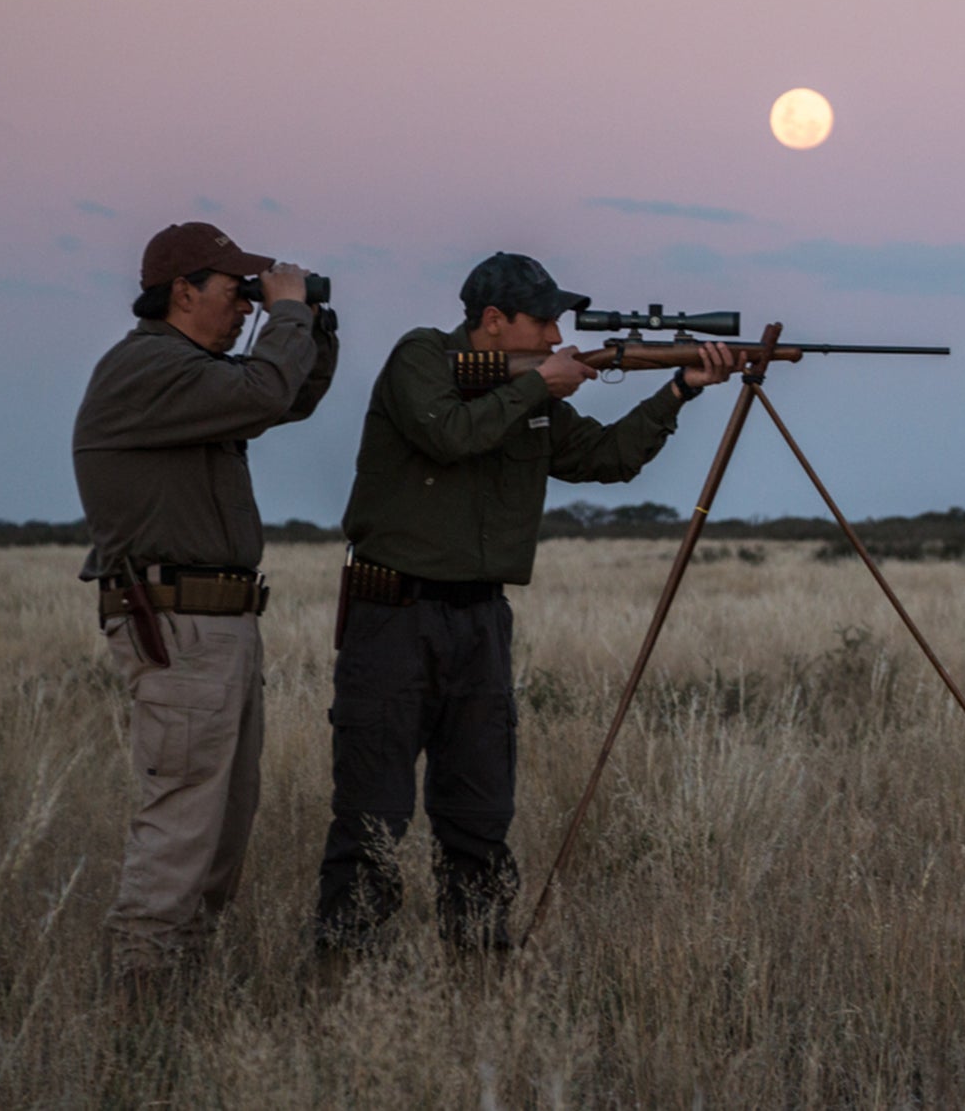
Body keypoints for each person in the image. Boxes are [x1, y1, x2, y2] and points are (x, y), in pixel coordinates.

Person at [313, 251, 739, 959]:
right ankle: (341, 983)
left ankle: (479, 977)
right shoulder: (421, 357)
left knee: (479, 817)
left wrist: (678, 391)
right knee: (372, 821)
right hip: (393, 619)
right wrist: (540, 386)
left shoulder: (534, 397)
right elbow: (449, 432)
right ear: (492, 320)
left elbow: (605, 457)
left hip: (480, 622)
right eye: (541, 321)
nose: (553, 336)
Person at [73, 221, 338, 998]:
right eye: (235, 291)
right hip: (179, 623)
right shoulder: (147, 369)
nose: (243, 307)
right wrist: (285, 314)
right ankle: (141, 997)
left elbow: (286, 397)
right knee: (185, 818)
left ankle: (177, 991)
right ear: (182, 291)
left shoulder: (188, 377)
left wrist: (311, 322)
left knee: (220, 824)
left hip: (212, 624)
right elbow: (265, 387)